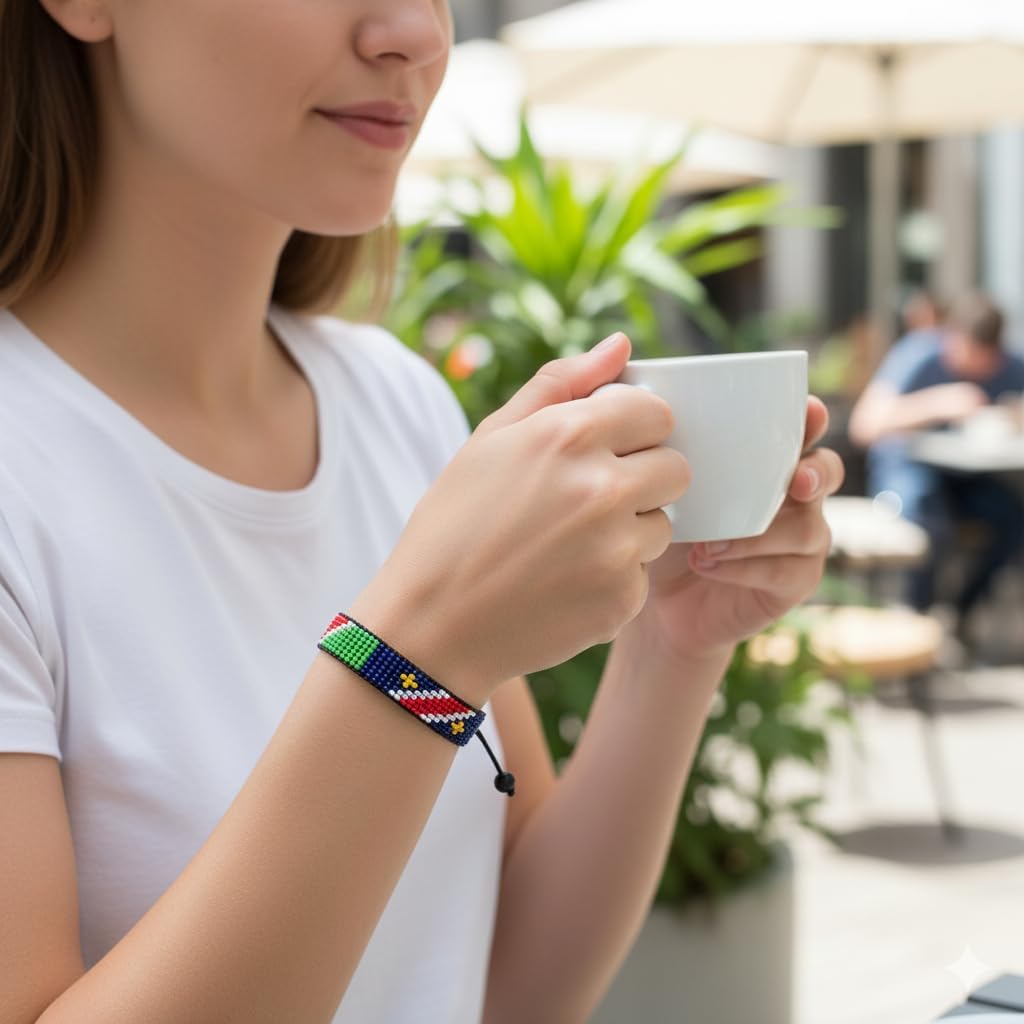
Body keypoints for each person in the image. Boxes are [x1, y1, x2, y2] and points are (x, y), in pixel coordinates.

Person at [0, 2, 842, 1022]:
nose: (414, 32)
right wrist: (412, 655)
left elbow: (504, 983)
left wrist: (672, 647)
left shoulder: (395, 405)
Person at [849, 290, 1024, 638]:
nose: (978, 367)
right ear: (952, 336)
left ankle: (960, 613)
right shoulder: (918, 355)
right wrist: (936, 405)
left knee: (1013, 521)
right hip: (907, 471)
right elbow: (864, 426)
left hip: (967, 476)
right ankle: (918, 620)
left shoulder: (1010, 365)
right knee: (925, 517)